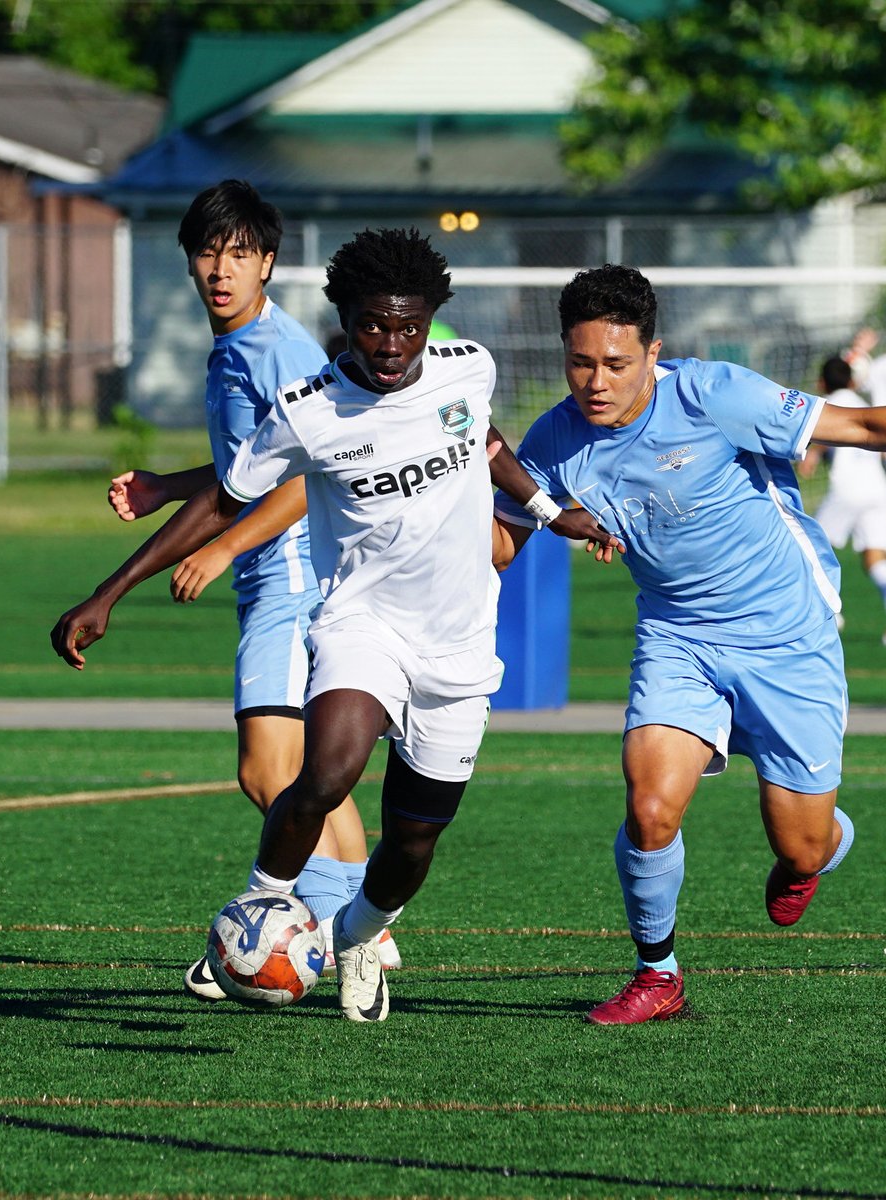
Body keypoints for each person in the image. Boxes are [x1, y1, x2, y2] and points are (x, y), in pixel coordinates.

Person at [53, 226, 611, 1024]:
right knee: (324, 774)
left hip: (458, 647)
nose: (391, 343)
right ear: (346, 317)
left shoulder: (468, 368)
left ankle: (358, 935)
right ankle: (258, 914)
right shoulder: (310, 410)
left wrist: (551, 511)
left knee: (411, 845)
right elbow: (228, 493)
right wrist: (108, 592)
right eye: (374, 324)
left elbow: (483, 439)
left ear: (431, 319)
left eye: (409, 326)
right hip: (363, 625)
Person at [492, 264, 886, 1025]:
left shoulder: (714, 394)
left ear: (654, 353)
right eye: (581, 362)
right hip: (677, 633)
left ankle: (819, 846)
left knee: (800, 848)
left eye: (617, 364)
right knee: (651, 805)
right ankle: (658, 974)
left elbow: (858, 426)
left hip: (787, 631)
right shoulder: (555, 438)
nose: (597, 381)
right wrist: (463, 459)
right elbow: (498, 549)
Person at [59, 180, 394, 1000]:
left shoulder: (270, 351)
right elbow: (250, 465)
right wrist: (166, 485)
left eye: (240, 253)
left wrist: (122, 586)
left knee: (268, 772)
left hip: (289, 573)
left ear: (268, 263)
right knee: (311, 774)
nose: (222, 267)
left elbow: (292, 477)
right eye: (209, 251)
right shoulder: (245, 345)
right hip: (292, 569)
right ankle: (360, 931)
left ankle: (321, 934)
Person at [800, 356, 886, 647]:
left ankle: (829, 615)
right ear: (852, 380)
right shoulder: (863, 402)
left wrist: (813, 453)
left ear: (821, 382)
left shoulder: (826, 403)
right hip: (878, 488)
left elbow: (828, 429)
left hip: (847, 487)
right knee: (875, 557)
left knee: (807, 549)